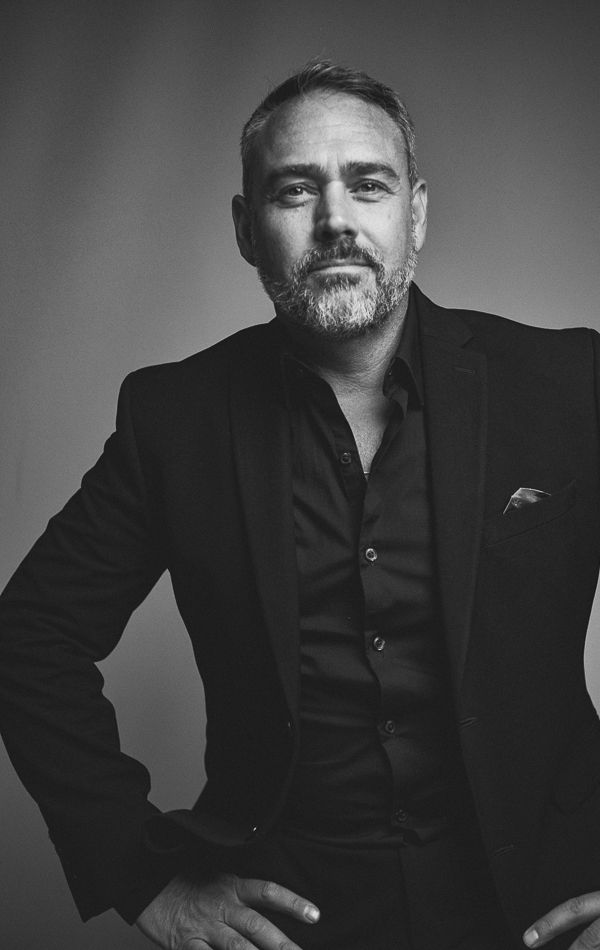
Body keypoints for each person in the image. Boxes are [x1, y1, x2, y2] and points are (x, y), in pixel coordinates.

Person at [1, 60, 600, 950]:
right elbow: (30, 636)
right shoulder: (175, 418)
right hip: (289, 918)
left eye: (368, 185)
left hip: (543, 903)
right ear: (247, 229)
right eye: (295, 190)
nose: (335, 221)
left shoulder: (568, 383)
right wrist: (140, 876)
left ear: (416, 214)